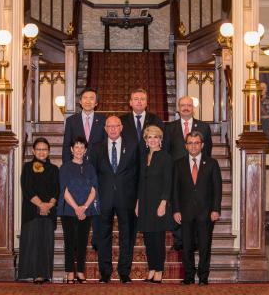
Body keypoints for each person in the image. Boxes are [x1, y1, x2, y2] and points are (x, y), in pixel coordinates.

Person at [91, 116, 139, 284]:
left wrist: (138, 199)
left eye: (116, 126)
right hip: (104, 198)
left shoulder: (133, 146)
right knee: (103, 236)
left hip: (127, 198)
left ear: (121, 127)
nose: (112, 129)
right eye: (109, 126)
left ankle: (124, 272)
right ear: (105, 128)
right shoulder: (96, 148)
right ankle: (105, 272)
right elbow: (93, 175)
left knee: (127, 236)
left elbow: (137, 174)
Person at [172, 131, 222, 285]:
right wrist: (176, 210)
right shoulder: (178, 164)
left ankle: (203, 277)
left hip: (206, 213)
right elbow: (175, 189)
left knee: (204, 246)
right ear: (186, 146)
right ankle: (188, 276)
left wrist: (215, 209)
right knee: (186, 246)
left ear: (202, 145)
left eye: (196, 143)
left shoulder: (212, 163)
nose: (193, 146)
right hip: (185, 213)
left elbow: (217, 189)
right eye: (190, 143)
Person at [164, 95, 213, 251]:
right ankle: (180, 240)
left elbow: (208, 151)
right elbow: (166, 152)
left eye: (189, 105)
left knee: (198, 204)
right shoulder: (170, 127)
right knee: (177, 204)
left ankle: (197, 241)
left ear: (193, 108)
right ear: (178, 108)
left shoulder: (204, 127)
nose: (186, 108)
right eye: (182, 105)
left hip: (198, 172)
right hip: (177, 173)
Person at [62, 87, 106, 250]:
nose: (88, 101)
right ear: (80, 101)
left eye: (91, 98)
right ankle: (76, 239)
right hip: (76, 168)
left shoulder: (102, 120)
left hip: (96, 169)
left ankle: (95, 238)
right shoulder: (72, 121)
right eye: (85, 98)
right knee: (78, 200)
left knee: (94, 202)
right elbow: (67, 145)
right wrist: (68, 168)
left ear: (96, 103)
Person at [57, 137, 100, 284]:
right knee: (69, 241)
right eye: (76, 147)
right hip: (69, 210)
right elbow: (64, 190)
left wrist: (85, 207)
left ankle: (80, 271)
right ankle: (69, 272)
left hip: (86, 210)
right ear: (71, 149)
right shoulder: (65, 167)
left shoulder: (90, 167)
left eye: (82, 147)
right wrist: (76, 208)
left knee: (82, 241)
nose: (79, 150)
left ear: (86, 150)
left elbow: (94, 189)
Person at [18, 137, 59, 284]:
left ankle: (45, 273)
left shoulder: (54, 169)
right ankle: (34, 273)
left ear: (48, 151)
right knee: (33, 242)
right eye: (39, 149)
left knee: (45, 243)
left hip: (49, 212)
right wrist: (41, 205)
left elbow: (57, 191)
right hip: (32, 211)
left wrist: (48, 205)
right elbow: (27, 189)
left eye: (45, 149)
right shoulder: (27, 167)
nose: (42, 152)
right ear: (33, 151)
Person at [135, 125, 173, 284]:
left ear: (160, 140)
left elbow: (168, 182)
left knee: (158, 239)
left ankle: (159, 270)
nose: (152, 140)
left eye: (155, 137)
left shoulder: (166, 157)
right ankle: (151, 268)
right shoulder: (143, 156)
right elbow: (140, 182)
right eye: (149, 137)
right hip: (144, 203)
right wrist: (137, 202)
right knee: (148, 238)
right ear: (145, 140)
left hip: (158, 203)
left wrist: (163, 203)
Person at [120, 88, 165, 155]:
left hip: (149, 159)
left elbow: (162, 141)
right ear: (130, 103)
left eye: (142, 99)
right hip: (128, 161)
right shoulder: (121, 121)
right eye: (136, 99)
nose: (139, 101)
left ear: (146, 103)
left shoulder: (155, 120)